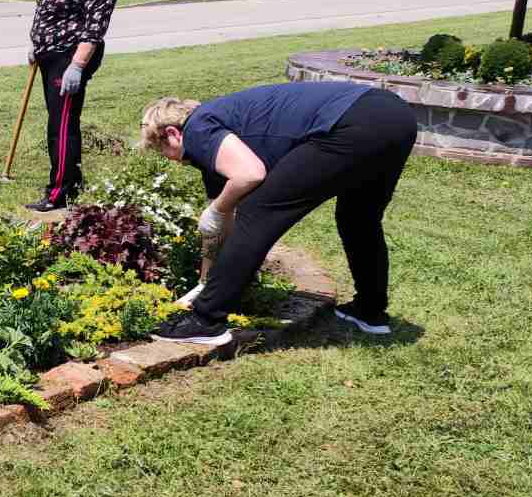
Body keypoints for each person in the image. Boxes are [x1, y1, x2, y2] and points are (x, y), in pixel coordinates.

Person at [139, 81, 417, 346]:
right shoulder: (219, 130)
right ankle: (370, 311)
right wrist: (205, 281)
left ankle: (206, 321)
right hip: (394, 116)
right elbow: (221, 226)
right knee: (358, 218)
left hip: (352, 122)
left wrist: (216, 209)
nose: (170, 160)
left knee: (257, 211)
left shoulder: (198, 128)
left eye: (162, 150)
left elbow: (250, 175)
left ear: (173, 134)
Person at [24, 0, 120, 210]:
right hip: (50, 53)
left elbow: (94, 26)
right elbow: (49, 7)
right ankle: (72, 183)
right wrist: (36, 44)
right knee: (58, 120)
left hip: (70, 56)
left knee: (62, 125)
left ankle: (60, 194)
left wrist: (77, 66)